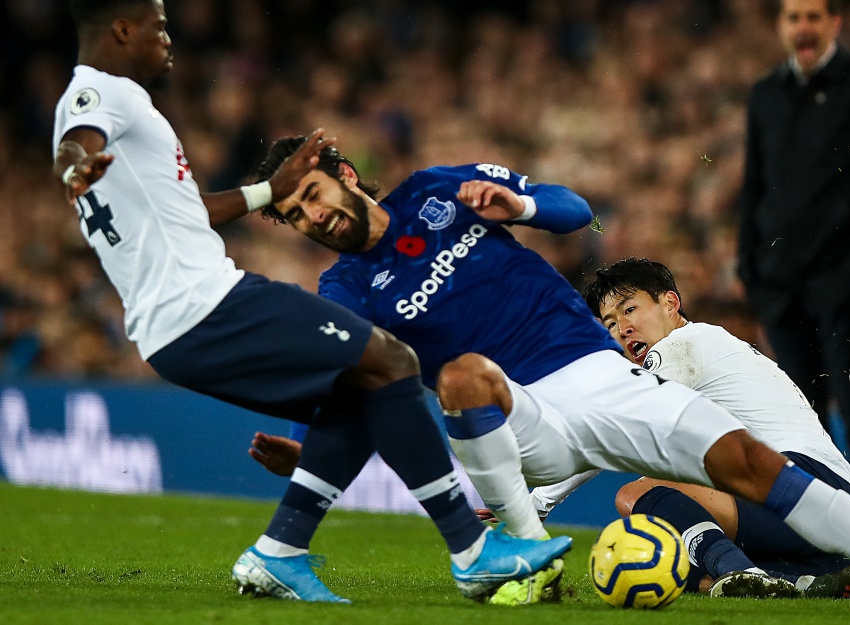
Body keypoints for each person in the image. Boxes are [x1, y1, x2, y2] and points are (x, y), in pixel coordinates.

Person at [246, 134, 850, 616]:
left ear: (345, 173)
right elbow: (365, 389)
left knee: (751, 461)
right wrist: (315, 454)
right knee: (465, 375)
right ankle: (522, 558)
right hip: (520, 415)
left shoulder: (436, 189)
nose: (313, 217)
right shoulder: (345, 290)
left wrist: (519, 203)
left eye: (312, 195)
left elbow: (573, 209)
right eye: (295, 217)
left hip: (604, 378)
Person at [52, 0, 570, 605]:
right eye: (159, 26)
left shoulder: (109, 104)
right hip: (205, 303)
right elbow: (76, 144)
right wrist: (75, 168)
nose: (168, 39)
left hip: (171, 328)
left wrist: (267, 191)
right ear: (122, 29)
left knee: (363, 387)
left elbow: (186, 212)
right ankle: (472, 550)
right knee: (393, 361)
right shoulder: (104, 93)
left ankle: (279, 553)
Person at [563, 257, 850, 599]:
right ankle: (812, 575)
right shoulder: (712, 349)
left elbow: (611, 434)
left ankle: (739, 571)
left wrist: (538, 502)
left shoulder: (682, 345)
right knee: (662, 545)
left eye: (630, 309)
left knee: (636, 496)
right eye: (610, 323)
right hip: (833, 503)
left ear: (670, 303)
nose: (622, 328)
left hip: (800, 480)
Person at [736, 0, 850, 471]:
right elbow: (754, 183)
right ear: (780, 26)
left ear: (835, 22)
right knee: (800, 417)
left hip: (844, 280)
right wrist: (750, 266)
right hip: (781, 285)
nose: (803, 27)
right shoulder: (765, 94)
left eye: (813, 16)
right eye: (793, 17)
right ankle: (815, 512)